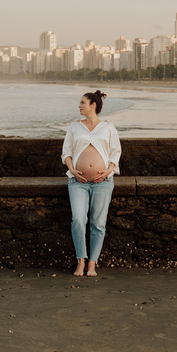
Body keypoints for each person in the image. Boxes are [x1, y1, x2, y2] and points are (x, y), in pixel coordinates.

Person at [61, 90, 121, 277]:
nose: (79, 106)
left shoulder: (108, 127)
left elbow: (115, 153)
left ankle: (92, 264)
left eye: (82, 103)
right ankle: (80, 260)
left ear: (93, 105)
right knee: (78, 220)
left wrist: (108, 171)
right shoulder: (74, 127)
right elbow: (66, 152)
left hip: (103, 182)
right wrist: (71, 169)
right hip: (78, 182)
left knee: (98, 223)